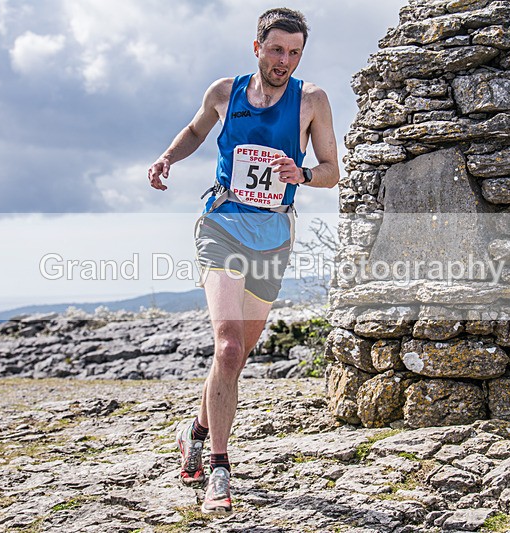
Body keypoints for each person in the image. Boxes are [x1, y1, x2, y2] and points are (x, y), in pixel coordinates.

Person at [147, 7, 339, 515]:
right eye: (276, 50)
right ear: (257, 47)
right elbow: (195, 132)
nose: (284, 61)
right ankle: (219, 470)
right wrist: (167, 157)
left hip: (273, 236)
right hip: (222, 224)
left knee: (235, 357)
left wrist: (301, 174)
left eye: (294, 53)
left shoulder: (312, 100)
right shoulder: (223, 92)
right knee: (228, 346)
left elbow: (331, 170)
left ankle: (194, 432)